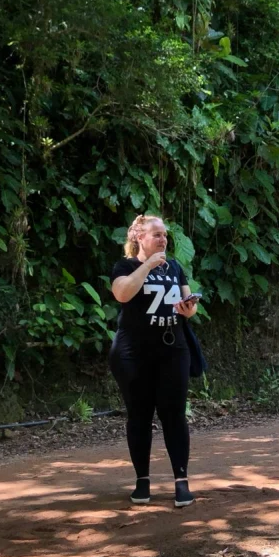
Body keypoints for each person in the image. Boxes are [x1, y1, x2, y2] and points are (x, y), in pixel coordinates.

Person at [110, 214, 200, 507]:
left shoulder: (175, 266)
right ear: (139, 237)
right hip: (133, 354)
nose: (163, 240)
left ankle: (181, 482)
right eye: (157, 234)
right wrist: (147, 265)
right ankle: (142, 482)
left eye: (164, 235)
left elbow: (188, 305)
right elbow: (122, 294)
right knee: (139, 416)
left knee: (174, 414)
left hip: (173, 350)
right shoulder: (125, 266)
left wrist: (188, 309)